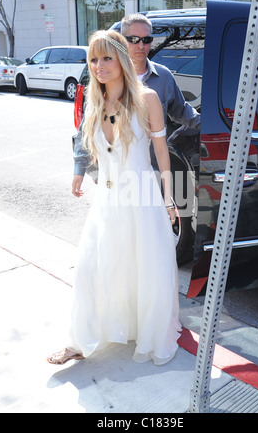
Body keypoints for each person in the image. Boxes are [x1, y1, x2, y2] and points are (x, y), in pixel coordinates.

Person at [47, 30, 181, 365]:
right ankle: (79, 340)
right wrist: (78, 171)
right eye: (93, 58)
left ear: (121, 58)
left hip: (141, 198)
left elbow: (162, 153)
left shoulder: (147, 98)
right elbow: (84, 142)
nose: (99, 65)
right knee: (91, 268)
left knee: (143, 268)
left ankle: (143, 329)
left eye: (107, 57)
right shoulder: (94, 101)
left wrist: (169, 199)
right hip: (106, 200)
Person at [72, 12, 200, 198]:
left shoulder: (163, 78)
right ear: (121, 42)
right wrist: (79, 168)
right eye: (134, 39)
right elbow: (86, 128)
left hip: (152, 174)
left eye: (147, 39)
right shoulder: (104, 80)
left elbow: (183, 112)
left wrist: (215, 126)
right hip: (115, 177)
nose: (141, 45)